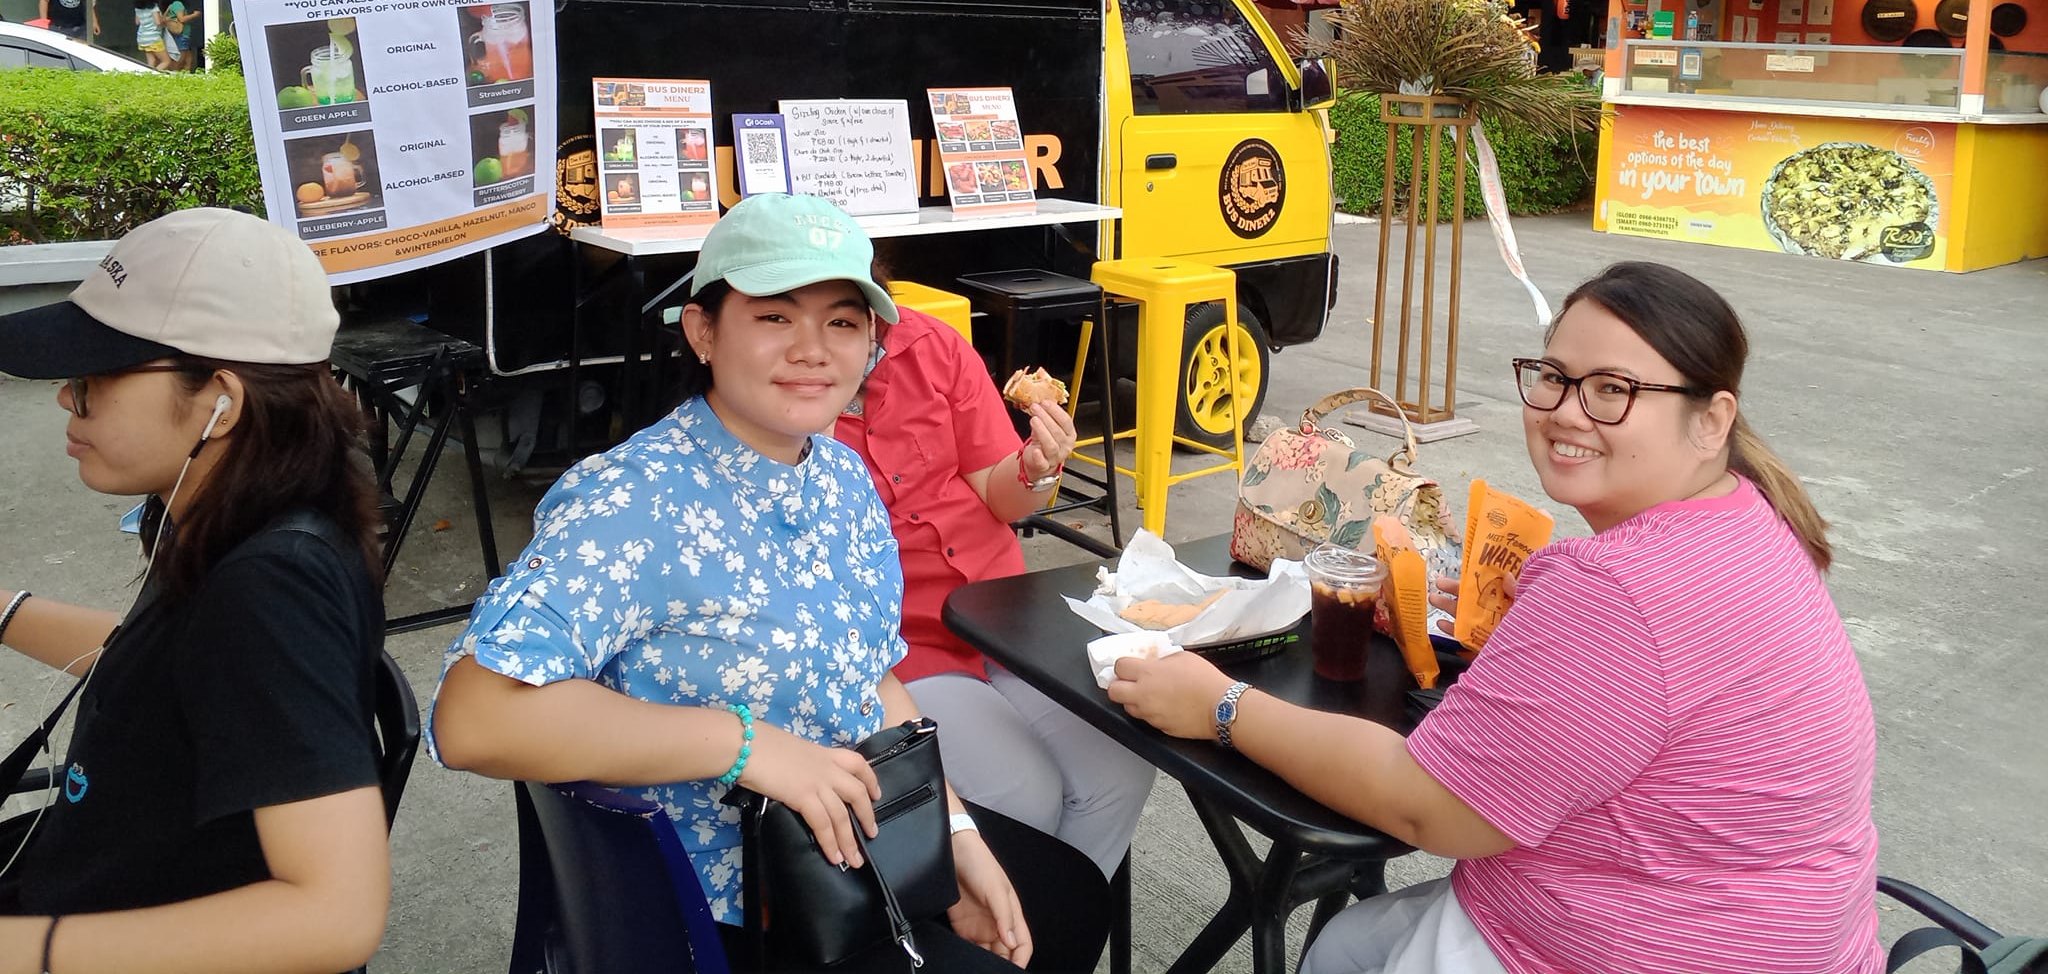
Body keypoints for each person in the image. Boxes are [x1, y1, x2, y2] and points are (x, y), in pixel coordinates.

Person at [1108, 260, 1883, 974]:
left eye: (1614, 389)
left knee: (1346, 947)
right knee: (1346, 944)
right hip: (1793, 932)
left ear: (1711, 419)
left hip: (1636, 944)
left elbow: (1431, 810)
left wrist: (1218, 704)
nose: (1567, 411)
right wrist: (1543, 630)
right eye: (1553, 376)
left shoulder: (1616, 586)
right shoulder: (1751, 517)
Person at [431, 193, 1109, 973]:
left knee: (1066, 903)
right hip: (726, 905)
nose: (814, 349)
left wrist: (950, 834)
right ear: (703, 331)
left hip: (854, 841)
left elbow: (873, 678)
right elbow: (472, 718)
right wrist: (746, 746)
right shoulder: (631, 501)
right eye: (775, 316)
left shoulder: (841, 477)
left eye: (843, 322)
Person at [0, 208, 390, 974]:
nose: (65, 401)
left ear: (220, 401)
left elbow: (337, 913)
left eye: (94, 379)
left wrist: (27, 951)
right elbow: (176, 670)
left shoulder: (272, 586)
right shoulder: (230, 518)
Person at [835, 295, 1154, 881]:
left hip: (1003, 616)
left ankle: (1058, 935)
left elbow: (998, 492)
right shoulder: (790, 396)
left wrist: (1037, 468)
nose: (844, 338)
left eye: (853, 317)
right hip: (903, 648)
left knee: (1120, 765)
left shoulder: (929, 346)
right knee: (1023, 794)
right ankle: (1008, 931)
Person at [132, 0, 170, 71]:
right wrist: (166, 19)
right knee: (166, 61)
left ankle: (148, 77)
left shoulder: (138, 7)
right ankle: (152, 76)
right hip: (153, 38)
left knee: (152, 61)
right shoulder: (154, 7)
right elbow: (158, 22)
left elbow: (137, 22)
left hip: (142, 38)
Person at [158, 0, 195, 72]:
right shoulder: (178, 4)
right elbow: (181, 19)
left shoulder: (172, 4)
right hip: (182, 36)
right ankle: (175, 76)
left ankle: (185, 78)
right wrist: (195, 15)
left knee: (188, 60)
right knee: (180, 60)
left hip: (182, 36)